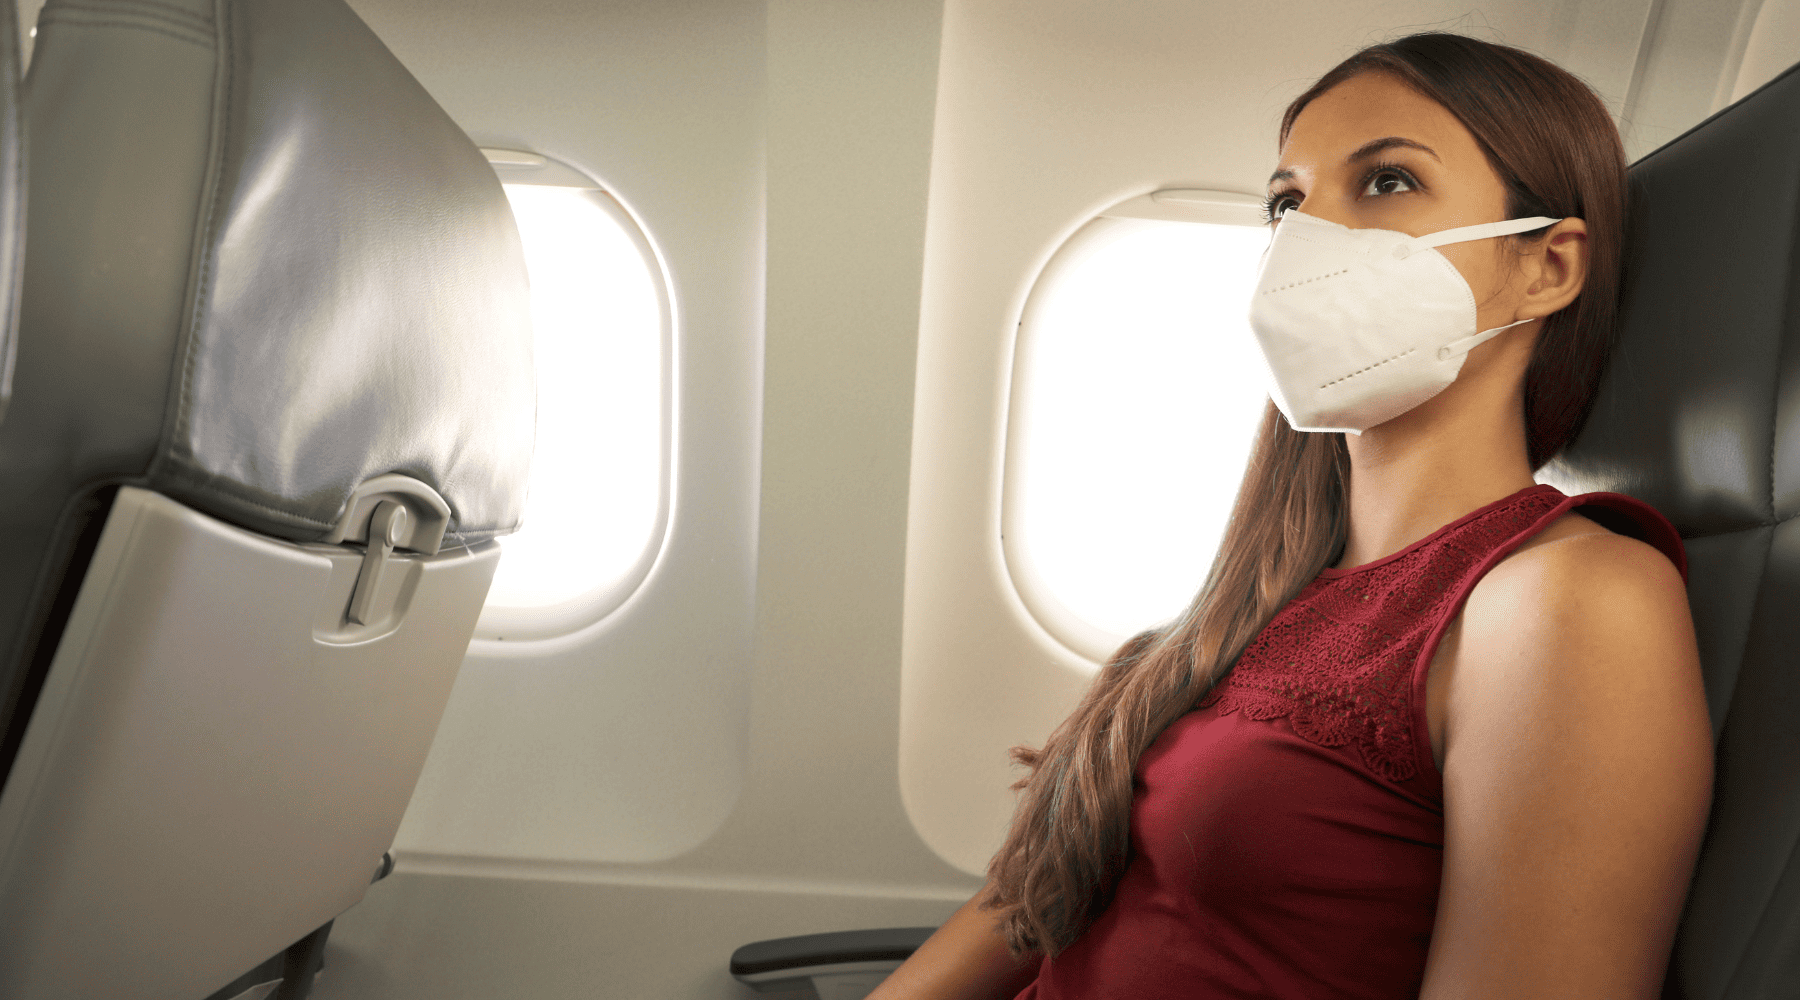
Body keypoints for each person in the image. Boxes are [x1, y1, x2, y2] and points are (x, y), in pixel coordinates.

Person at [867, 31, 1714, 1000]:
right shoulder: (1263, 596)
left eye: (1388, 182)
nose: (1304, 240)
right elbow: (1028, 906)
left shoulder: (1568, 600)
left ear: (1547, 267)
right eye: (1287, 202)